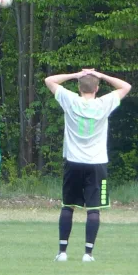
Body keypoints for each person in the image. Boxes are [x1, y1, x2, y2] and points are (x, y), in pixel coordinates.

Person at [45, 69, 131, 262]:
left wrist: (75, 74)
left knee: (68, 206)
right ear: (97, 88)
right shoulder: (103, 103)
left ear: (78, 86)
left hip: (73, 162)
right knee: (94, 209)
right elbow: (126, 86)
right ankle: (87, 253)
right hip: (97, 163)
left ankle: (62, 252)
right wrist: (101, 75)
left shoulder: (71, 100)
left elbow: (49, 80)